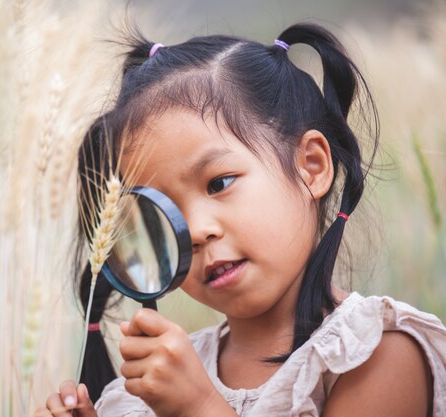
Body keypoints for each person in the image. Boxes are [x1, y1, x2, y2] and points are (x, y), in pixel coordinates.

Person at [36, 22, 446, 417]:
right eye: (166, 212)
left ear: (312, 167)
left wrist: (198, 407)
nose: (195, 231)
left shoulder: (373, 351)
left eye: (219, 183)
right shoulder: (155, 384)